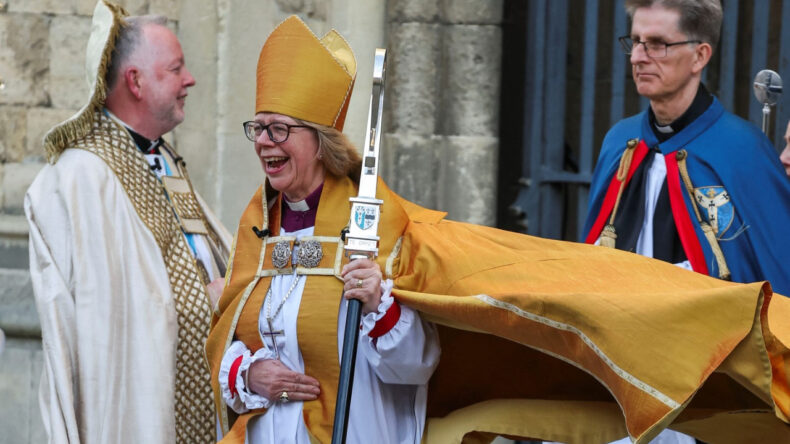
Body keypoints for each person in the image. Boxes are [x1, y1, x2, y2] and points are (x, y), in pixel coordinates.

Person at [205, 16, 441, 443]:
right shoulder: (258, 225)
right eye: (257, 128)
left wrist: (376, 303)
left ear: (319, 141)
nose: (263, 141)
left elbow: (417, 365)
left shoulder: (375, 222)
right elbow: (228, 337)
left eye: (279, 129)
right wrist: (250, 373)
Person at [24, 1, 230, 443]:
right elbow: (91, 322)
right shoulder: (78, 180)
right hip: (132, 411)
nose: (189, 80)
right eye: (176, 69)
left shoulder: (164, 159)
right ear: (135, 81)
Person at [583, 0, 790, 297]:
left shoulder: (744, 149)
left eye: (657, 44)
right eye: (636, 41)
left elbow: (778, 275)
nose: (638, 57)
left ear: (699, 56)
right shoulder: (619, 140)